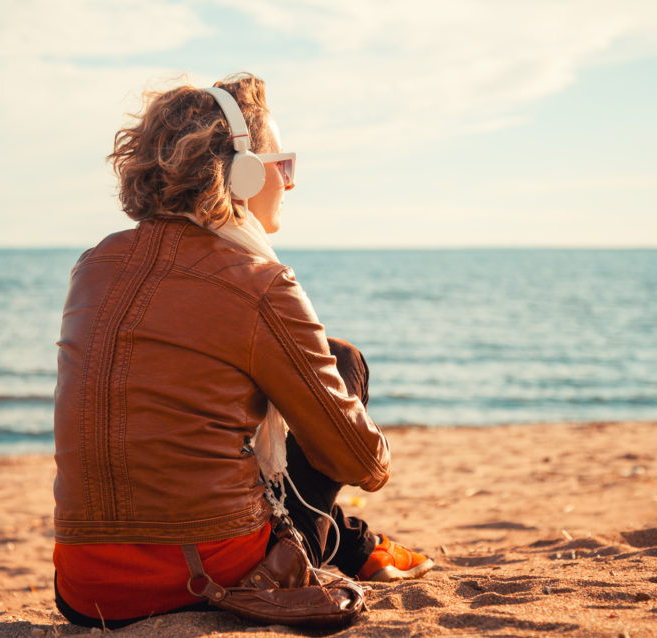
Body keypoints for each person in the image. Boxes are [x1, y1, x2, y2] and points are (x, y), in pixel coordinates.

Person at [51, 73, 433, 629]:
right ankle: (348, 542)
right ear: (244, 171)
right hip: (201, 576)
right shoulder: (260, 283)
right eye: (284, 164)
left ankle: (354, 543)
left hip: (84, 589)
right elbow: (361, 463)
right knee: (341, 361)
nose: (290, 182)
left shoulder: (93, 265)